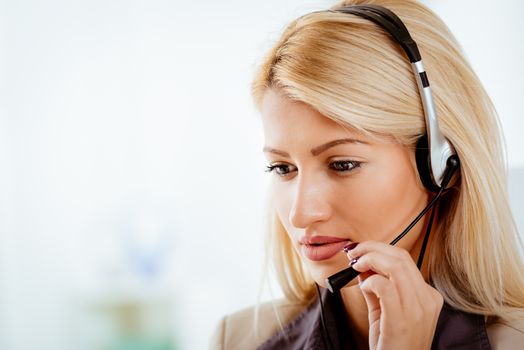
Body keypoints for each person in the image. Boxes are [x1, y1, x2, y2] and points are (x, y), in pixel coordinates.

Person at [211, 0, 524, 349]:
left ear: (441, 165)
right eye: (283, 168)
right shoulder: (238, 339)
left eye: (342, 164)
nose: (301, 214)